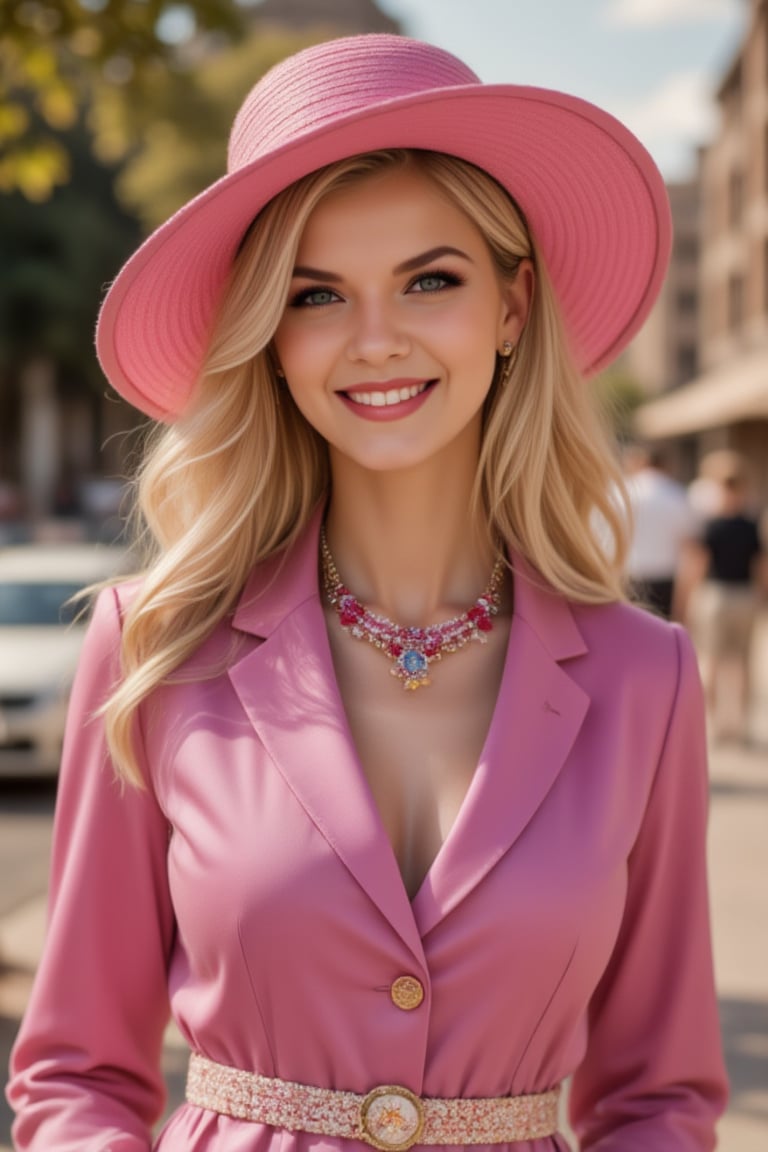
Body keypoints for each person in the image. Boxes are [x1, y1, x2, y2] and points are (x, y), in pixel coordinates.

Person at [7, 33, 727, 1152]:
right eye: (316, 294)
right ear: (270, 338)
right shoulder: (154, 649)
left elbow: (660, 1100)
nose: (376, 340)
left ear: (512, 307)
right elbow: (76, 1076)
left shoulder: (648, 678)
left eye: (430, 280)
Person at [683, 452, 766, 742]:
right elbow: (760, 567)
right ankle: (740, 726)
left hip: (716, 596)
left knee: (712, 661)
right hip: (745, 595)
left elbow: (698, 566)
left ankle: (714, 724)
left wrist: (688, 599)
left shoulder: (711, 525)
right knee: (742, 664)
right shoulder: (751, 524)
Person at [622, 443, 699, 619]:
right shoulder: (677, 495)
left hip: (626, 578)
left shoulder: (619, 492)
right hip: (664, 582)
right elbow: (691, 550)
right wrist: (684, 601)